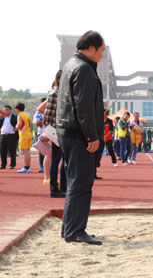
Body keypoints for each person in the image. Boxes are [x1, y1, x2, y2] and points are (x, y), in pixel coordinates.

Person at [56, 30, 105, 245]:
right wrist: (92, 136)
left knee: (75, 182)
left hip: (69, 132)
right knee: (81, 183)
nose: (102, 55)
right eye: (101, 50)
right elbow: (83, 107)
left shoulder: (70, 65)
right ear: (91, 48)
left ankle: (70, 228)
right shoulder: (83, 68)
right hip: (78, 135)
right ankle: (75, 231)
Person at [43, 70, 67, 198]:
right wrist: (46, 132)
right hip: (57, 131)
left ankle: (63, 187)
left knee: (64, 159)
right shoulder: (55, 94)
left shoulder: (64, 93)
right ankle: (54, 187)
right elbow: (47, 114)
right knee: (57, 159)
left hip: (64, 130)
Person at [15, 102, 33, 173]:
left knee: (25, 152)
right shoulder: (26, 115)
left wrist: (15, 128)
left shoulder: (20, 115)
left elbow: (19, 125)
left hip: (23, 135)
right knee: (27, 152)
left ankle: (26, 167)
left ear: (17, 109)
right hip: (28, 134)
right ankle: (27, 167)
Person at [0, 105, 18, 170]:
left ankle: (12, 164)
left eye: (7, 109)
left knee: (12, 151)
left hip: (11, 136)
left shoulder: (15, 117)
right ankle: (3, 165)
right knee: (2, 151)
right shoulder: (2, 118)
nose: (6, 111)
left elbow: (18, 125)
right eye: (4, 110)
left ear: (10, 110)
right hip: (3, 136)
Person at [34, 98, 47, 174]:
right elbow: (37, 123)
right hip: (42, 134)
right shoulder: (38, 113)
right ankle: (42, 166)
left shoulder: (52, 110)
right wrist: (47, 120)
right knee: (42, 152)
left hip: (52, 135)